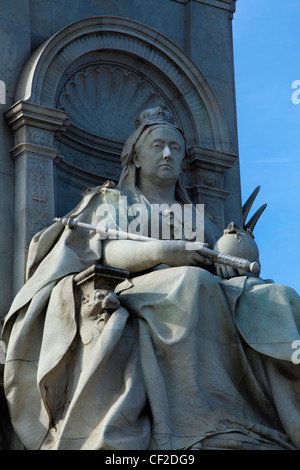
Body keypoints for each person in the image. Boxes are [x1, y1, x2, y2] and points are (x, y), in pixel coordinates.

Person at [2, 107, 300, 450]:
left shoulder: (194, 216)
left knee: (280, 297)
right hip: (137, 287)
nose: (169, 154)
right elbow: (101, 250)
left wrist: (235, 257)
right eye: (158, 146)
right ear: (137, 157)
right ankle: (205, 424)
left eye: (176, 148)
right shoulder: (113, 200)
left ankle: (274, 422)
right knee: (192, 282)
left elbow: (217, 261)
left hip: (203, 290)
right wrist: (161, 252)